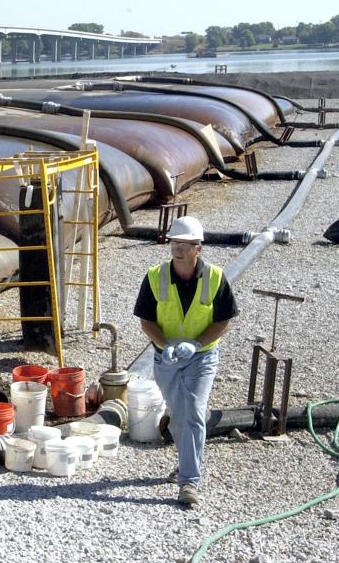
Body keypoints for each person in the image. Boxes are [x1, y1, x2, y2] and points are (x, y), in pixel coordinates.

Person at [133, 216, 238, 506]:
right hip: (166, 357)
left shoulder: (215, 277)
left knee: (192, 410)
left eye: (185, 244)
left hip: (201, 356)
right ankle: (186, 461)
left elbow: (223, 319)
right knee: (179, 415)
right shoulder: (155, 276)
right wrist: (164, 345)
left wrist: (197, 344)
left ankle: (189, 482)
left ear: (198, 248)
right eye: (174, 243)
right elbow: (146, 320)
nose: (178, 249)